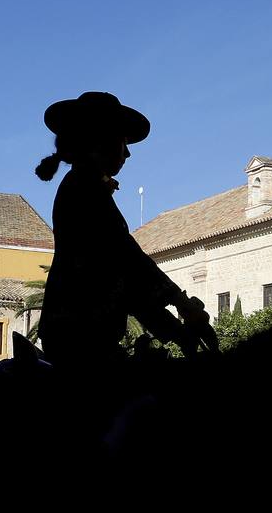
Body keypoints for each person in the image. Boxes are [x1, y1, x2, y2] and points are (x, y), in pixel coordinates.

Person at [34, 91, 217, 386]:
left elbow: (125, 272)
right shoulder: (85, 191)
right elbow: (127, 261)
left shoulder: (83, 187)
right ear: (99, 144)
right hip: (81, 336)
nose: (127, 153)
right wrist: (180, 308)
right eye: (123, 143)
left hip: (80, 333)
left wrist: (173, 324)